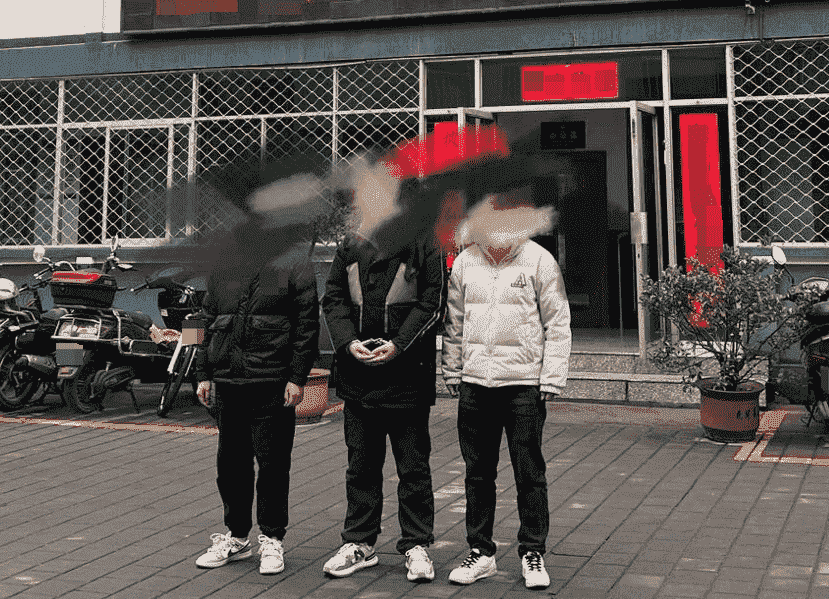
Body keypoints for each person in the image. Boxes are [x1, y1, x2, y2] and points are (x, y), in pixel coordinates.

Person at [442, 196, 571, 590]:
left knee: (529, 473)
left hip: (523, 386)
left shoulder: (539, 261)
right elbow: (454, 322)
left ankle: (532, 552)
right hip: (475, 385)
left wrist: (551, 378)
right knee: (477, 475)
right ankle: (480, 552)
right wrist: (452, 369)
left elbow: (558, 321)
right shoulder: (465, 262)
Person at [193, 203, 320, 576]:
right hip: (228, 382)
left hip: (272, 382)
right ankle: (236, 537)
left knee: (273, 466)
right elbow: (199, 319)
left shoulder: (294, 262)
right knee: (230, 466)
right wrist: (201, 373)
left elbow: (307, 324)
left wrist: (297, 377)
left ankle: (272, 539)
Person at [321, 227, 447, 583]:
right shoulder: (351, 242)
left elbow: (433, 302)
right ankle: (359, 543)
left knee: (413, 468)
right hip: (358, 376)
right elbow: (333, 298)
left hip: (407, 376)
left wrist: (399, 345)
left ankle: (416, 544)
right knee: (361, 466)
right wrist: (348, 342)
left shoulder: (426, 240)